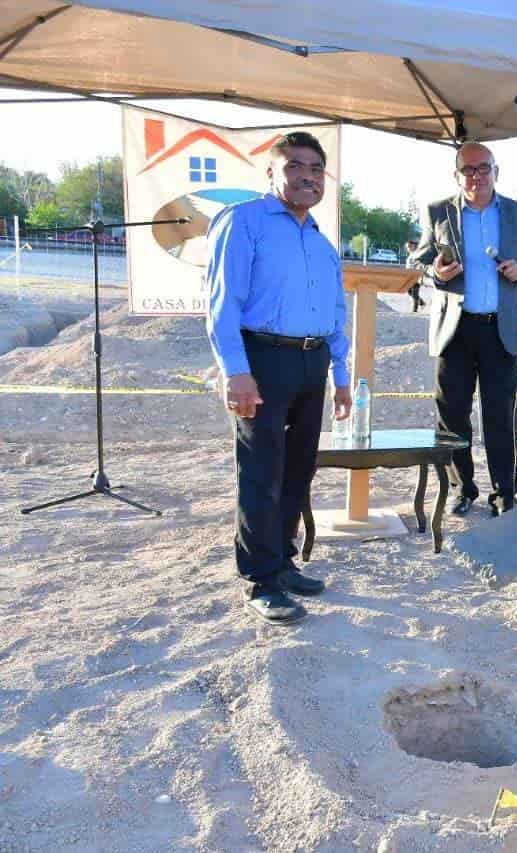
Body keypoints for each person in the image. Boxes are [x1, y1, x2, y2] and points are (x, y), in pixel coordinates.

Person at [206, 131, 351, 626]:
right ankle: (260, 579)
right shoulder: (244, 222)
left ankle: (284, 561)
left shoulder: (320, 241)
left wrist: (341, 375)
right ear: (272, 172)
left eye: (316, 169)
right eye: (295, 166)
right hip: (263, 362)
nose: (307, 177)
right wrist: (236, 372)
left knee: (298, 470)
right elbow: (223, 305)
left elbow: (335, 312)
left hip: (312, 364)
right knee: (261, 472)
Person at [413, 142, 517, 516]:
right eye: (468, 170)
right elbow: (419, 258)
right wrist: (435, 271)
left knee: (500, 414)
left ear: (496, 172)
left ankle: (504, 492)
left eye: (484, 168)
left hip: (500, 329)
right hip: (455, 330)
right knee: (452, 414)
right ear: (457, 175)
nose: (476, 176)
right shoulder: (438, 212)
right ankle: (462, 488)